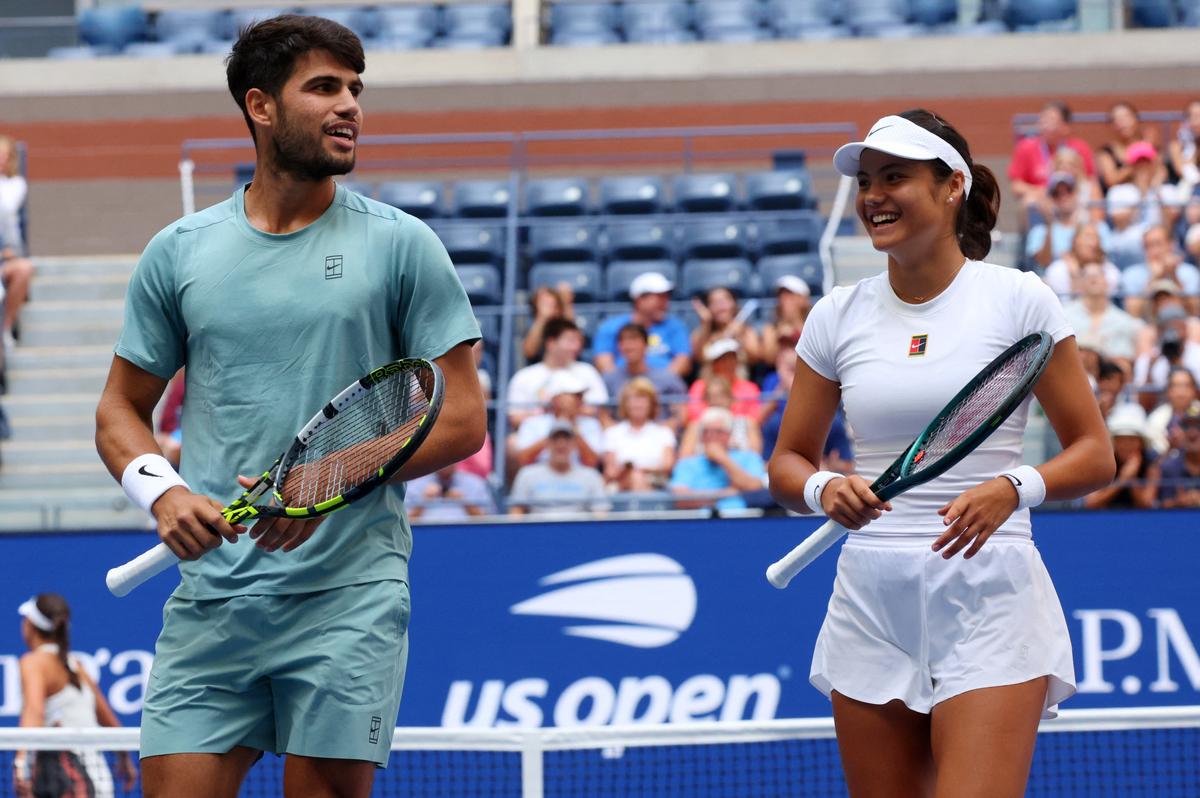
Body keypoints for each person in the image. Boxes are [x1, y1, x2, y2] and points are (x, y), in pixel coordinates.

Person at [91, 16, 486, 798]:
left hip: (349, 595)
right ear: (261, 105)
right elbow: (118, 412)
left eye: (355, 89)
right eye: (324, 87)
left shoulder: (403, 245)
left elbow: (464, 418)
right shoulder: (179, 251)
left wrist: (327, 481)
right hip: (212, 600)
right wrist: (162, 492)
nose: (350, 106)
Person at [769, 110, 1113, 797]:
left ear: (952, 185)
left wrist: (1014, 488)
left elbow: (1095, 454)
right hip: (871, 597)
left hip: (990, 591)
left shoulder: (1019, 299)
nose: (873, 196)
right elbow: (787, 463)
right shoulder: (835, 315)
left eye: (894, 177)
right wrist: (822, 489)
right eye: (866, 181)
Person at [14, 594, 137, 798]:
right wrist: (124, 756)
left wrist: (20, 763)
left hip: (70, 784)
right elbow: (109, 721)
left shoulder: (33, 663)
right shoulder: (76, 666)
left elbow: (34, 711)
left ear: (30, 625)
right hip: (99, 782)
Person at [505, 317, 606, 426]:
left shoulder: (588, 372)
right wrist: (550, 412)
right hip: (537, 434)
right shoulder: (524, 376)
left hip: (580, 433)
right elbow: (515, 418)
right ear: (551, 343)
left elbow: (601, 411)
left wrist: (564, 409)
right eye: (570, 341)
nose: (576, 347)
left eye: (579, 341)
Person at [591, 271, 691, 378]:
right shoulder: (611, 327)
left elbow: (683, 362)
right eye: (660, 297)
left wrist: (659, 383)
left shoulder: (675, 326)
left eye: (666, 297)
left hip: (663, 385)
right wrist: (628, 385)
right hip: (624, 385)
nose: (665, 303)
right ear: (639, 300)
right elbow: (604, 364)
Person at [670, 406, 766, 511]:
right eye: (706, 432)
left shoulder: (749, 457)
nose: (711, 436)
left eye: (718, 432)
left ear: (729, 434)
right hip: (699, 518)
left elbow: (756, 488)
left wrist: (723, 459)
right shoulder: (687, 463)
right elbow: (680, 499)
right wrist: (726, 493)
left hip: (741, 516)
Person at [1008, 100, 1096, 213]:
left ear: (1065, 126)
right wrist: (1043, 192)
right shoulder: (1025, 147)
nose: (1045, 124)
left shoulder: (1080, 148)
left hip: (1075, 202)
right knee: (1029, 201)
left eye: (1051, 120)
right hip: (1043, 202)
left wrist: (1070, 195)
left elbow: (1091, 182)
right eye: (1042, 119)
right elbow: (1016, 186)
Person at [510, 370, 603, 472]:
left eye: (580, 395)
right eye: (574, 395)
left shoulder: (591, 424)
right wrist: (557, 429)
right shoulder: (532, 423)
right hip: (540, 477)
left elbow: (592, 462)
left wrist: (574, 429)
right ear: (556, 398)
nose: (580, 400)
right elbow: (523, 459)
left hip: (580, 478)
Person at [600, 322, 688, 429]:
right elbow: (602, 415)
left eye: (633, 339)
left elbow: (681, 414)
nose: (628, 346)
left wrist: (659, 433)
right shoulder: (609, 379)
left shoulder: (667, 378)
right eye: (623, 341)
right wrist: (620, 434)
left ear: (646, 345)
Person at [1060, 262, 1143, 374]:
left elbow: (1125, 363)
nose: (1093, 279)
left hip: (1109, 377)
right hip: (1071, 373)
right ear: (1080, 284)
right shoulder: (1064, 315)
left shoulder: (1124, 321)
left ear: (1107, 282)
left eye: (1098, 275)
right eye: (1087, 276)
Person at [508, 421, 608, 515]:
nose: (561, 445)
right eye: (555, 440)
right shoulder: (527, 475)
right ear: (547, 444)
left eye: (566, 440)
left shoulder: (591, 476)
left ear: (574, 444)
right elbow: (516, 512)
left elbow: (601, 514)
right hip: (540, 527)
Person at [602, 377, 676, 492]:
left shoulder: (664, 433)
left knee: (638, 477)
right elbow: (610, 471)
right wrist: (629, 472)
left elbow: (668, 466)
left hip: (657, 482)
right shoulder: (612, 433)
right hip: (622, 483)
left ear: (651, 404)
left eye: (642, 399)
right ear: (625, 404)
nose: (637, 404)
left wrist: (640, 470)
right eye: (633, 399)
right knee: (634, 478)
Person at [1084, 403, 1159, 509]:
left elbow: (1147, 504)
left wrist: (1131, 479)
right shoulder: (1102, 463)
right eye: (1121, 439)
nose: (1126, 445)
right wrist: (1122, 480)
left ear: (1141, 442)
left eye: (1131, 439)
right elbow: (1092, 502)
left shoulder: (1151, 463)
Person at [1119, 225, 1200, 320]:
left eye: (1158, 244)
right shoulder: (1132, 274)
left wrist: (1174, 276)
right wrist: (1154, 277)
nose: (1154, 251)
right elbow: (1133, 314)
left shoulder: (1189, 272)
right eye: (1148, 246)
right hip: (1147, 325)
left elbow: (1194, 312)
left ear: (1171, 244)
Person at [0, 134, 33, 351]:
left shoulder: (16, 184)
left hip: (7, 256)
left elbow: (6, 208)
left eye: (5, 155)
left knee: (24, 268)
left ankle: (5, 328)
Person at [686, 338, 761, 423]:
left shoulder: (749, 387)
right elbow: (694, 415)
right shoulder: (699, 386)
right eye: (724, 360)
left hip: (740, 428)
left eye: (732, 359)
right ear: (714, 364)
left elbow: (754, 417)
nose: (729, 364)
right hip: (707, 428)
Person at [1097, 101, 1164, 193]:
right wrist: (1135, 164)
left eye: (1126, 117)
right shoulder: (1106, 152)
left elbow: (1161, 171)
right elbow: (1111, 180)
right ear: (1111, 125)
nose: (1122, 123)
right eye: (1117, 119)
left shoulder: (1150, 145)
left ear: (1136, 119)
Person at [1042, 222, 1120, 301]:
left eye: (1096, 238)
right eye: (1087, 236)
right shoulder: (1058, 270)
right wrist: (1074, 276)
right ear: (1075, 241)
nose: (1092, 243)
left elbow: (1103, 303)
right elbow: (1065, 305)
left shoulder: (1109, 270)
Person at [689, 286, 763, 367]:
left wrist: (740, 337)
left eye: (725, 300)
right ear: (708, 307)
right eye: (714, 302)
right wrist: (706, 325)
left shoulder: (746, 331)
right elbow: (699, 359)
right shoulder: (701, 333)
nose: (720, 306)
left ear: (734, 303)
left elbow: (755, 358)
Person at [405, 463, 494, 521]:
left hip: (466, 536)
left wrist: (466, 503)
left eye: (450, 456)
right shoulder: (415, 485)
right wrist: (422, 503)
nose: (445, 462)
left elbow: (489, 523)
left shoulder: (475, 483)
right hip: (425, 537)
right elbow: (404, 523)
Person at [1146, 367, 1200, 455]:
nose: (1181, 392)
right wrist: (1171, 446)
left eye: (1186, 386)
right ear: (1168, 391)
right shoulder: (1157, 418)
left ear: (1194, 390)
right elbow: (1154, 450)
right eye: (1177, 386)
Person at [759, 275, 811, 365]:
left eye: (790, 295)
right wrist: (779, 336)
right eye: (781, 295)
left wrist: (795, 333)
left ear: (803, 299)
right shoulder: (771, 328)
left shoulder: (813, 327)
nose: (784, 299)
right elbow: (769, 358)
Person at [1158, 401, 1200, 508]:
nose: (1192, 433)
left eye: (1199, 426)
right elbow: (1153, 505)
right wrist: (1177, 502)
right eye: (1186, 426)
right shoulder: (1168, 467)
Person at [521, 283, 575, 363]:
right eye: (545, 304)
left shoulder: (563, 324)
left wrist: (566, 304)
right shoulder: (531, 328)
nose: (550, 308)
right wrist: (542, 318)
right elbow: (529, 352)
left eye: (554, 305)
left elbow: (573, 339)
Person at [1167, 99, 1200, 191]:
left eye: (1198, 116)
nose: (1195, 120)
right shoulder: (1176, 146)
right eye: (1191, 116)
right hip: (1189, 190)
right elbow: (1184, 172)